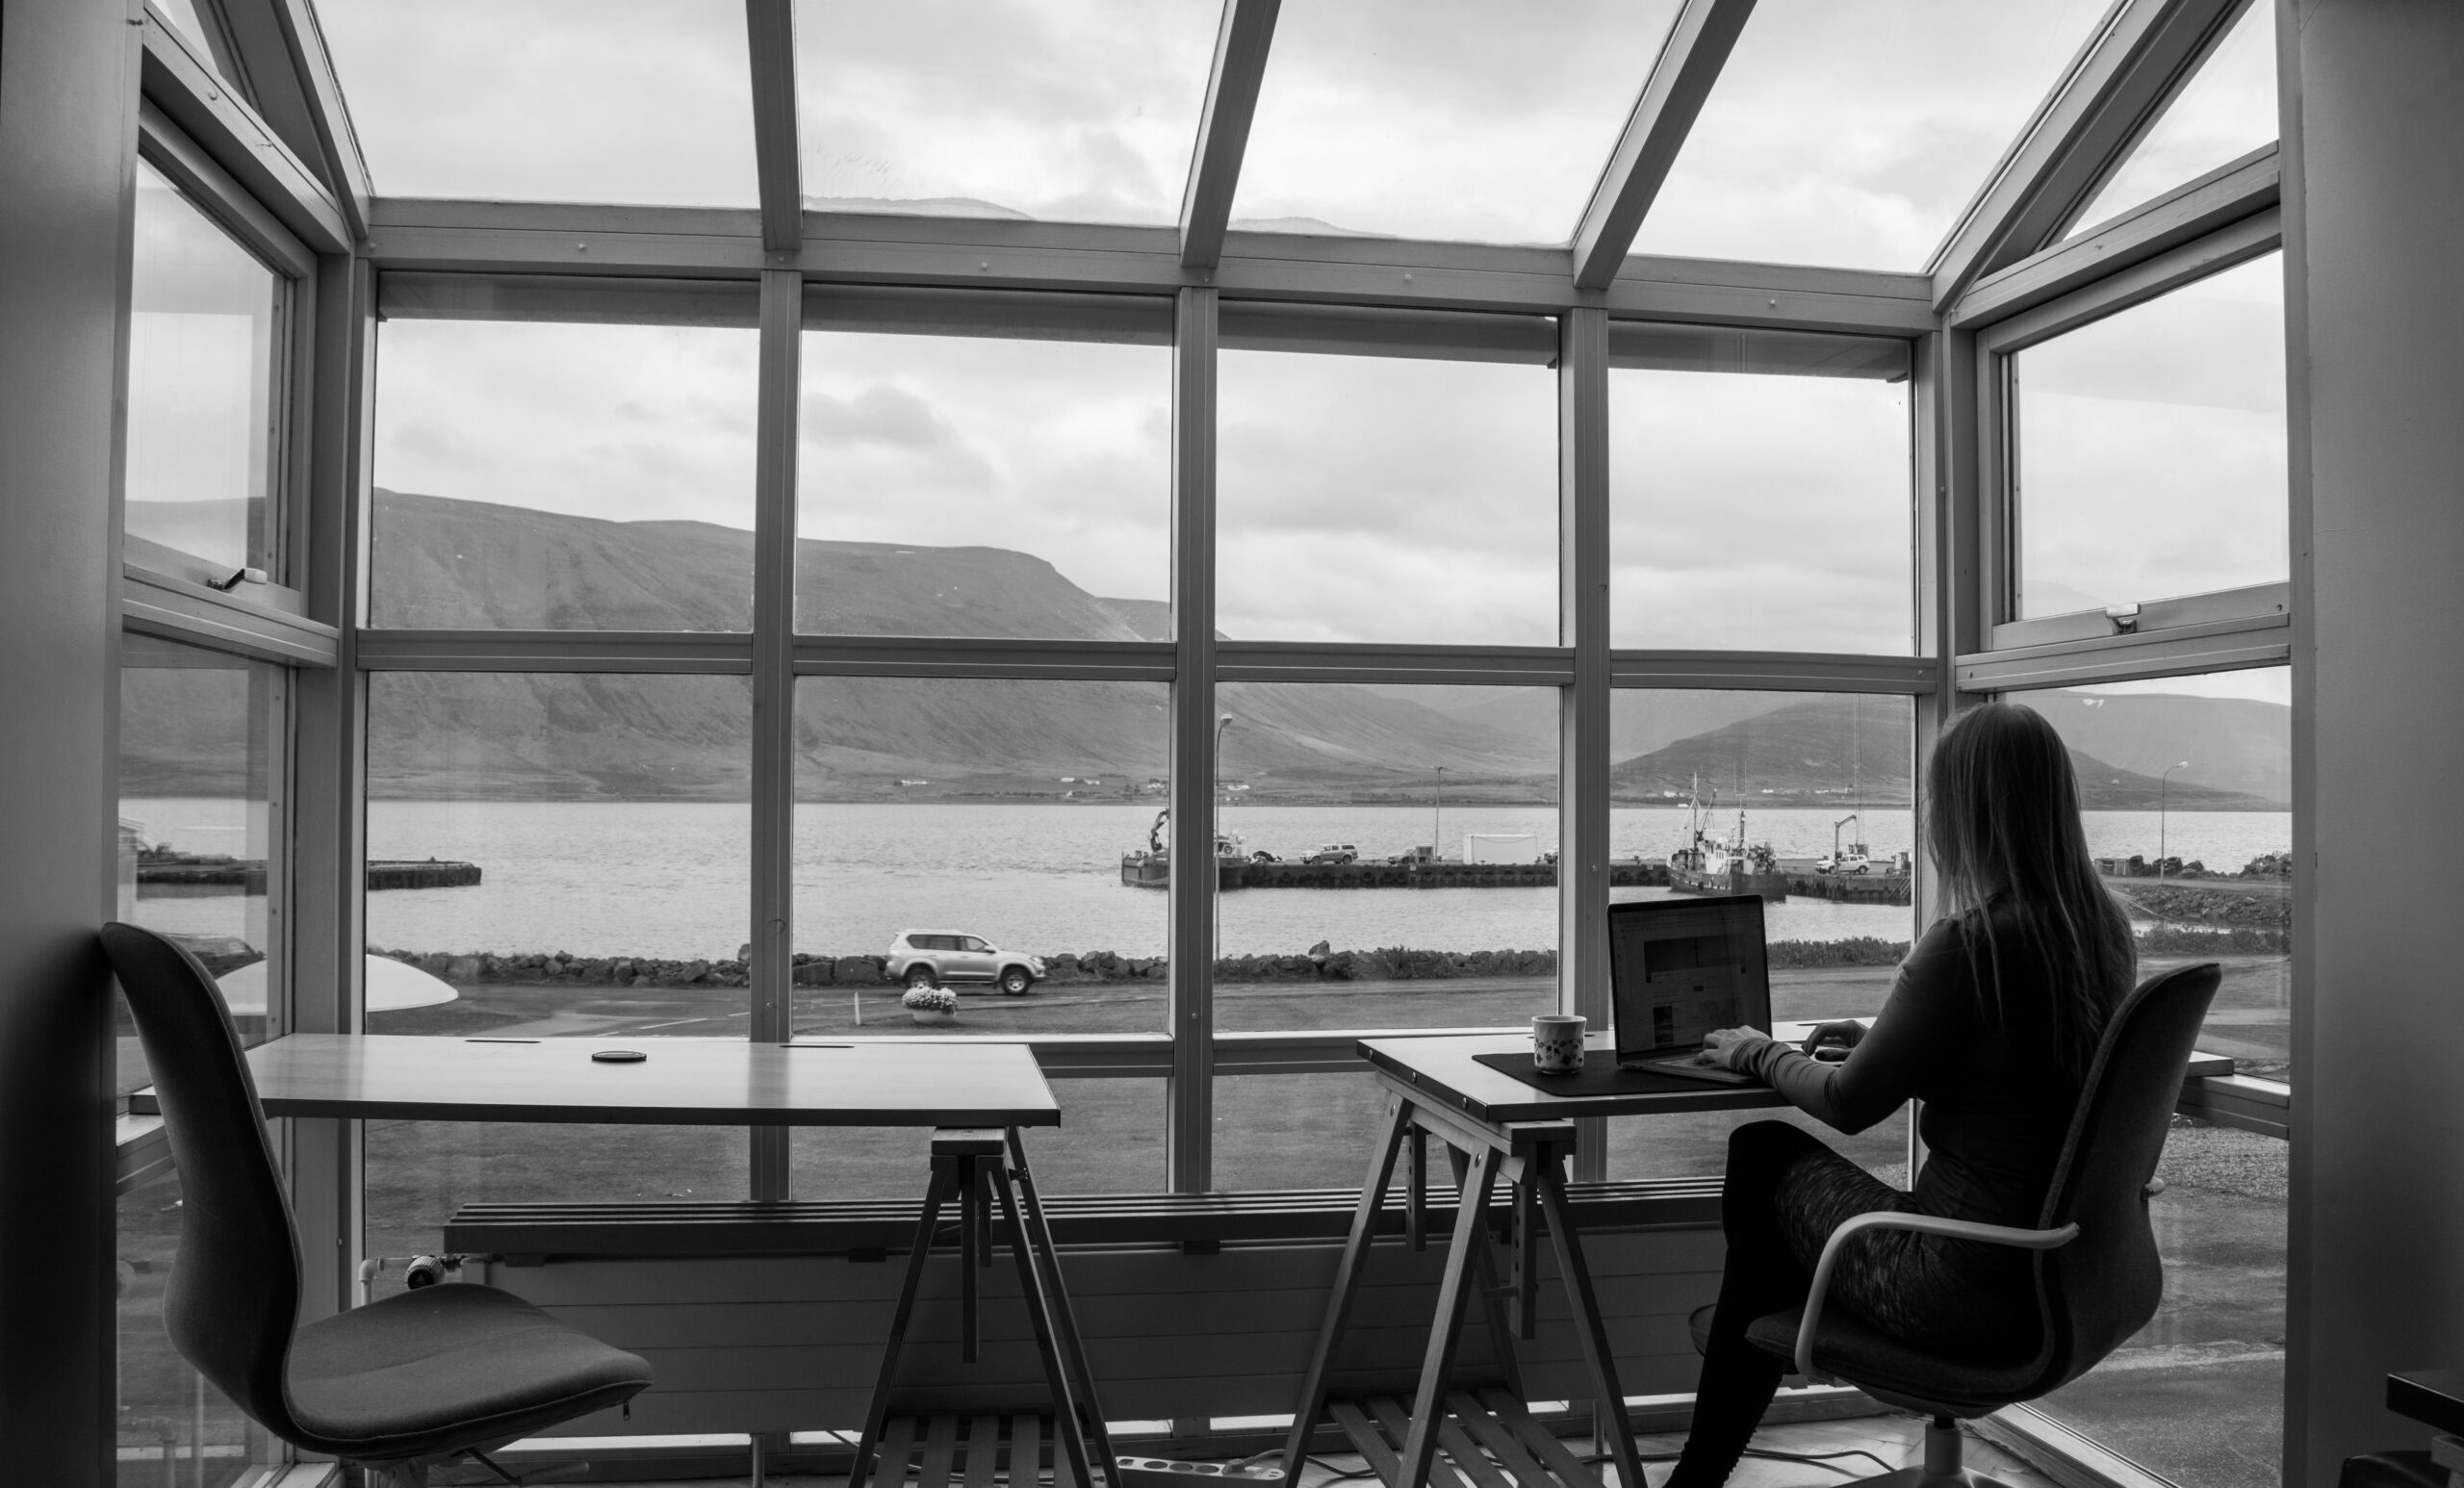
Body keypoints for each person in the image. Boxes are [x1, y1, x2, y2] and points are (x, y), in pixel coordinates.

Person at [1662, 702, 2138, 1488]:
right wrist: (1891, 1038)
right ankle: (1751, 1352)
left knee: (1762, 1151)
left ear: (1960, 812)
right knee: (1768, 1247)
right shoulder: (2100, 934)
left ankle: (1713, 1443)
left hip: (1957, 1285)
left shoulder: (1969, 944)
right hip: (2071, 1277)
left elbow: (1848, 1104)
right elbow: (2016, 1069)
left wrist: (1759, 1052)